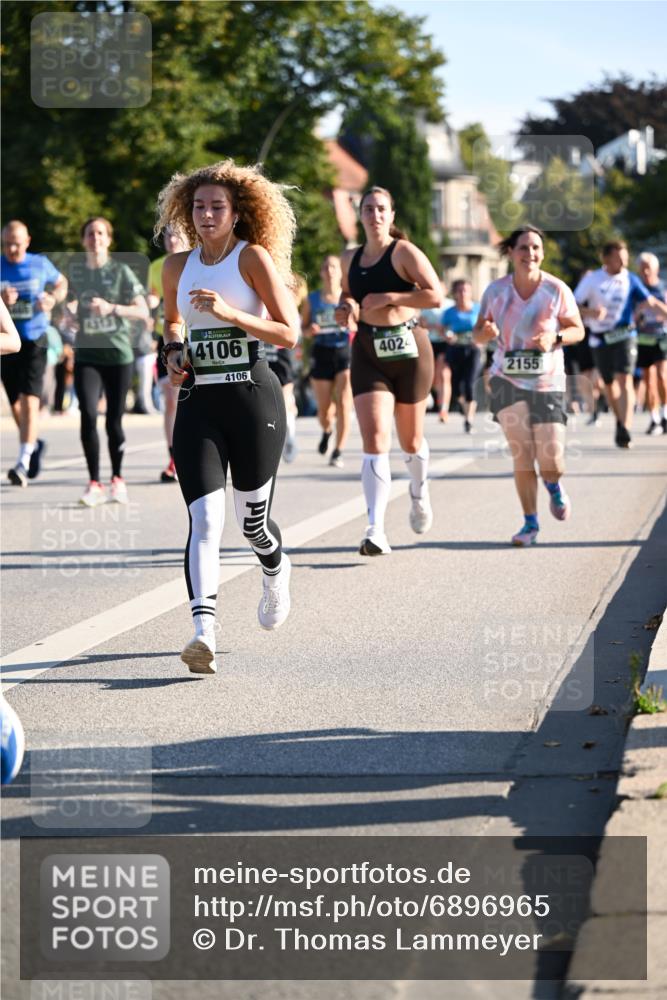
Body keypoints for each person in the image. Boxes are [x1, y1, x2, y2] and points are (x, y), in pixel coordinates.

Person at [157, 159, 300, 674]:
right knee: (205, 520)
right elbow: (173, 322)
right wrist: (174, 353)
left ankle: (275, 567)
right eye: (198, 207)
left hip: (251, 397)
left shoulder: (251, 259)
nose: (207, 214)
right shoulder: (176, 266)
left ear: (237, 213)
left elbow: (288, 333)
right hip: (199, 402)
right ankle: (204, 632)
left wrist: (230, 315)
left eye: (217, 206)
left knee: (252, 523)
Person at [335, 186, 442, 555]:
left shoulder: (405, 252)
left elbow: (435, 295)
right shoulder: (349, 257)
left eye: (381, 209)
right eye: (368, 209)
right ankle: (375, 528)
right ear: (360, 214)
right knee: (375, 437)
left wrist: (392, 297)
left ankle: (418, 490)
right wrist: (345, 307)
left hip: (410, 349)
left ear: (391, 215)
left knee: (410, 442)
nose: (375, 215)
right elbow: (347, 294)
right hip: (368, 349)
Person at [473, 225, 585, 547]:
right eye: (523, 248)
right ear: (511, 252)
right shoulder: (495, 291)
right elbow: (478, 334)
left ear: (543, 253)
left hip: (547, 381)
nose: (530, 254)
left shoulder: (556, 289)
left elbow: (578, 329)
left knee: (551, 461)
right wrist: (486, 332)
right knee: (522, 453)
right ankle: (530, 523)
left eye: (535, 248)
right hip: (506, 377)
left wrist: (556, 337)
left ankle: (554, 486)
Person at [68, 217, 149, 506]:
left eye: (101, 233)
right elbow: (67, 308)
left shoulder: (121, 272)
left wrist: (111, 308)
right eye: (90, 233)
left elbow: (142, 311)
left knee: (113, 421)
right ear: (83, 240)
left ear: (109, 239)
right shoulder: (76, 272)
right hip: (87, 356)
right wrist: (68, 315)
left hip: (118, 356)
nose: (95, 238)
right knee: (88, 415)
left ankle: (117, 479)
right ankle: (94, 483)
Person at [574, 240, 667, 449]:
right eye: (619, 258)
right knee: (609, 384)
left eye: (625, 258)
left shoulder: (630, 280)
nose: (624, 262)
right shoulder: (592, 280)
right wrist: (591, 313)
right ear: (606, 258)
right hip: (600, 338)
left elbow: (651, 302)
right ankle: (619, 420)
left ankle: (625, 427)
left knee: (625, 378)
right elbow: (573, 305)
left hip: (625, 334)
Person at [1, 220, 67, 485]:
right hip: (6, 343)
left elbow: (61, 283)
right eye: (6, 244)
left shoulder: (39, 263)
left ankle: (22, 461)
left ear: (27, 241)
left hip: (34, 339)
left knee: (30, 401)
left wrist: (52, 299)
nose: (12, 249)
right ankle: (33, 442)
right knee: (16, 405)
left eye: (17, 243)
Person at [301, 255, 352, 468]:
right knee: (324, 409)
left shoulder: (348, 299)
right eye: (326, 267)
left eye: (333, 266)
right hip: (321, 352)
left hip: (343, 351)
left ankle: (338, 451)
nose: (330, 270)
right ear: (322, 273)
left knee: (343, 402)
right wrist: (309, 331)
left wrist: (352, 324)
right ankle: (327, 429)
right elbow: (302, 330)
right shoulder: (311, 300)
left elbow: (359, 322)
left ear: (340, 272)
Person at [148, 225, 190, 480]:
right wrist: (147, 304)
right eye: (168, 235)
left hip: (194, 336)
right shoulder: (157, 267)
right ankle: (174, 458)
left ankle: (200, 453)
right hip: (166, 337)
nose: (172, 240)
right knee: (171, 400)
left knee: (192, 399)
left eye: (177, 235)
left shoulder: (198, 261)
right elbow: (152, 297)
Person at [441, 278, 482, 433]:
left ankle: (468, 420)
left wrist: (480, 339)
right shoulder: (449, 312)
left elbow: (486, 327)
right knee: (457, 386)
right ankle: (462, 405)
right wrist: (447, 336)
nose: (463, 293)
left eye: (466, 290)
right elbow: (442, 329)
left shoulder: (478, 309)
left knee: (470, 383)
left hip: (473, 350)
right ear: (455, 293)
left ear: (470, 292)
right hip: (455, 349)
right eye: (459, 290)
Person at [634, 252, 667, 435]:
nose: (646, 271)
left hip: (662, 336)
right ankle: (654, 418)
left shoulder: (662, 288)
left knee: (662, 375)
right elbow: (631, 317)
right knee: (648, 378)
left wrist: (654, 304)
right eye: (642, 268)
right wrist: (639, 310)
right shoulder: (637, 290)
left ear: (656, 269)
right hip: (643, 338)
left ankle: (665, 414)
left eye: (649, 268)